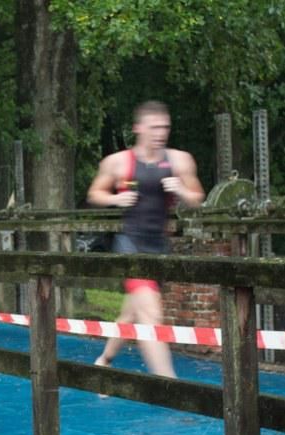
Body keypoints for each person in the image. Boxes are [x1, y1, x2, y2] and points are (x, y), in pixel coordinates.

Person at [87, 100, 204, 378]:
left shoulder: (179, 160)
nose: (160, 133)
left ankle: (103, 360)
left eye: (165, 127)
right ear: (139, 128)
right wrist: (115, 198)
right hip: (130, 245)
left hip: (159, 246)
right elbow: (94, 194)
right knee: (151, 315)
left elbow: (198, 198)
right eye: (154, 127)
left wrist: (182, 191)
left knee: (131, 315)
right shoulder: (118, 162)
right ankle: (170, 385)